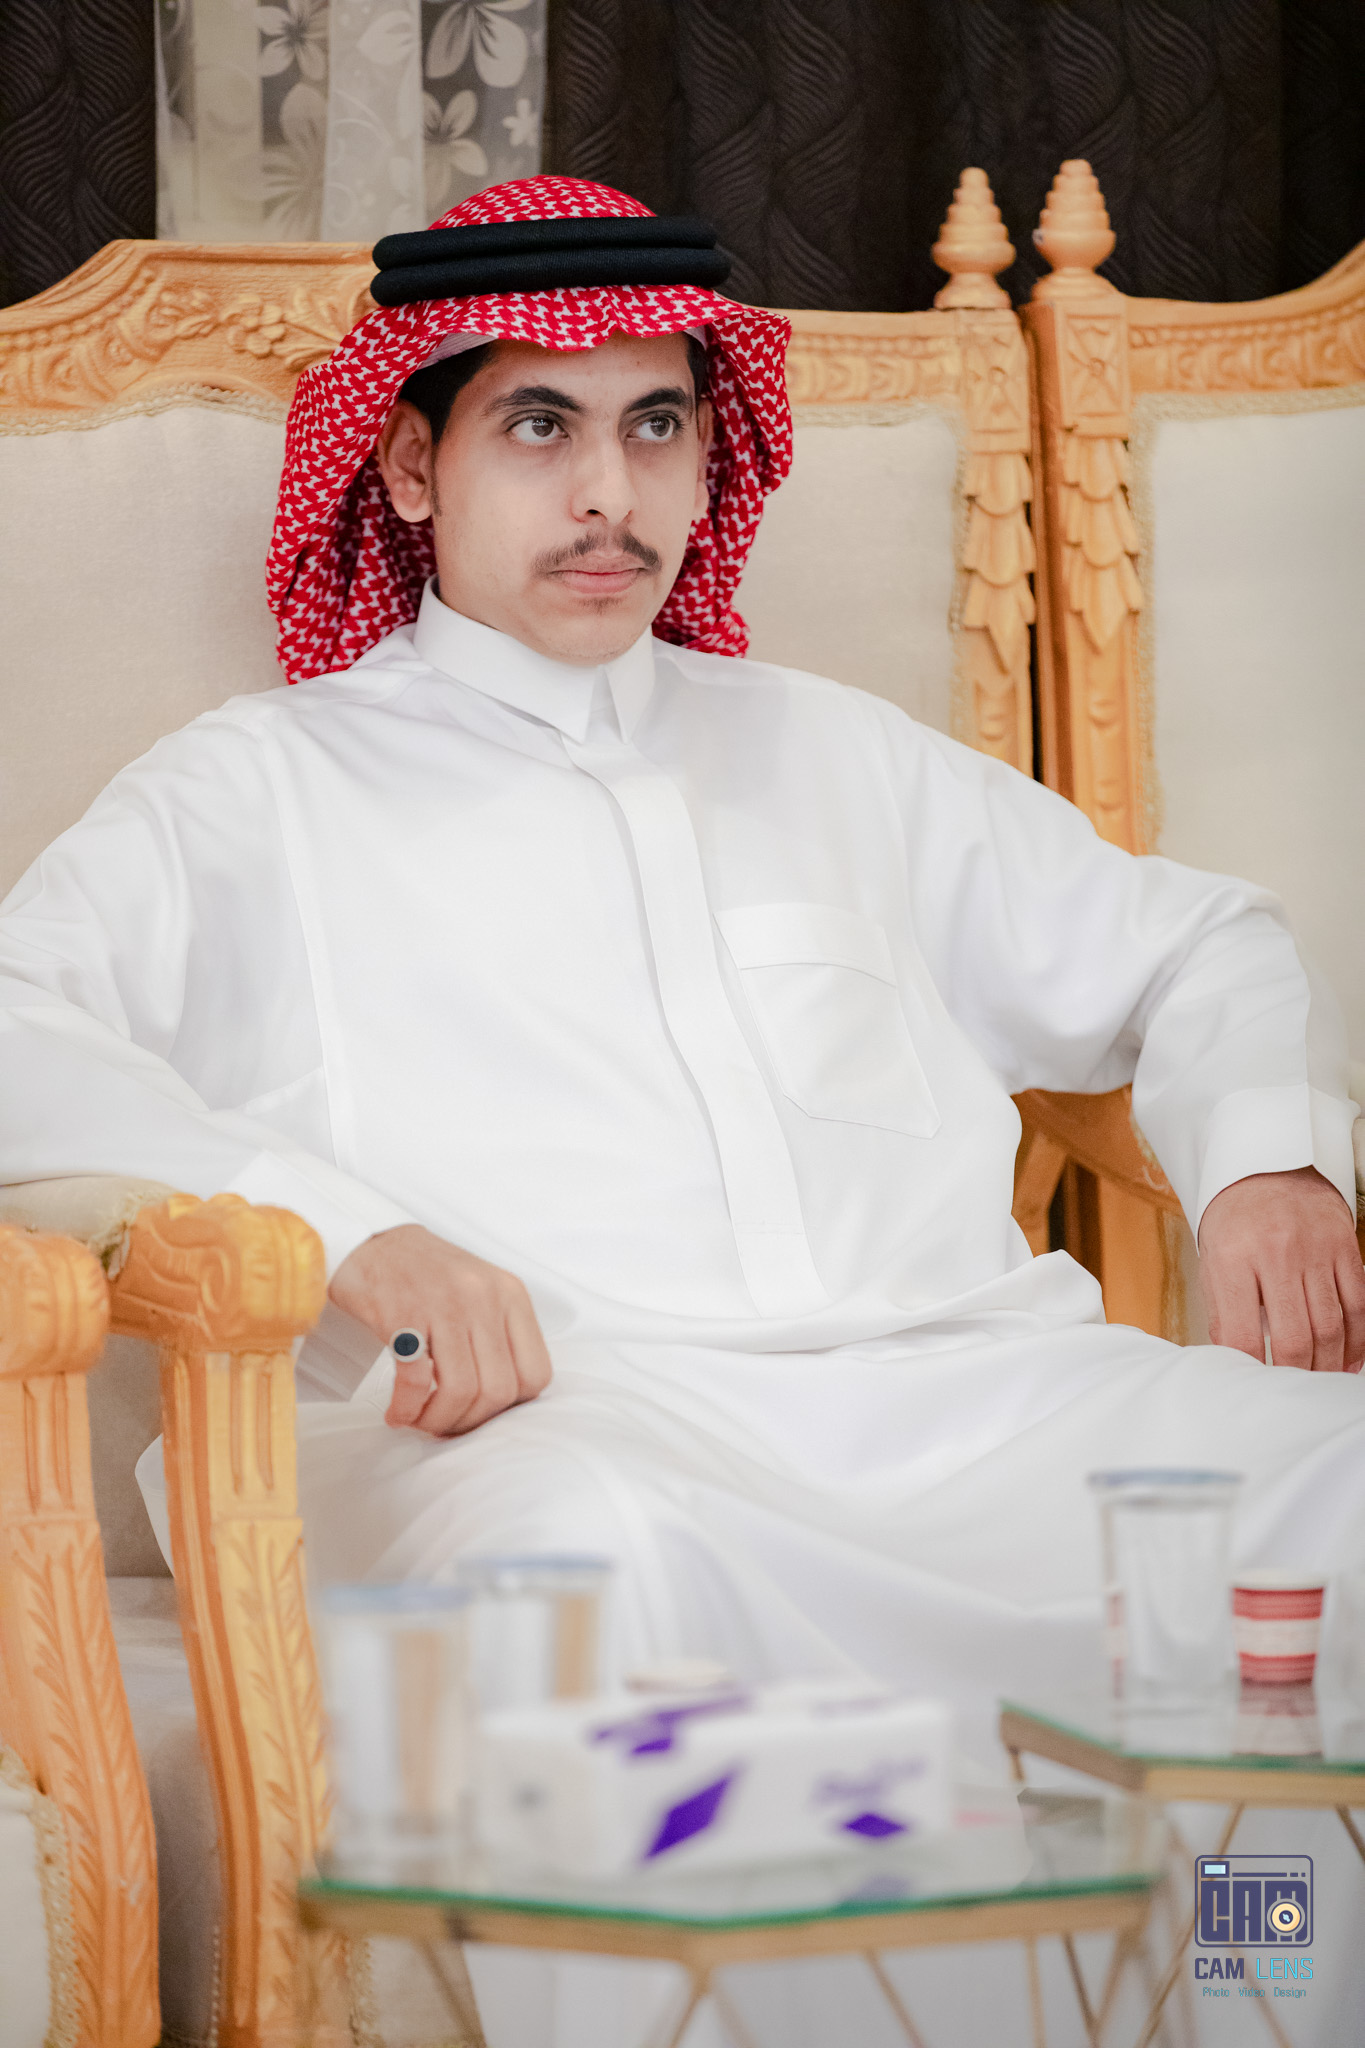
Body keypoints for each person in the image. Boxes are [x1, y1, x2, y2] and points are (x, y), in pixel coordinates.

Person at [1, 176, 1363, 2038]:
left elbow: (1199, 943)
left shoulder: (838, 751)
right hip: (545, 1433)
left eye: (656, 428)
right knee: (595, 1561)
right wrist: (343, 1232)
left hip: (969, 1407)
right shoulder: (257, 793)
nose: (609, 495)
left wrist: (1266, 1162)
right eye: (537, 428)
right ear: (405, 465)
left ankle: (1257, 2012)